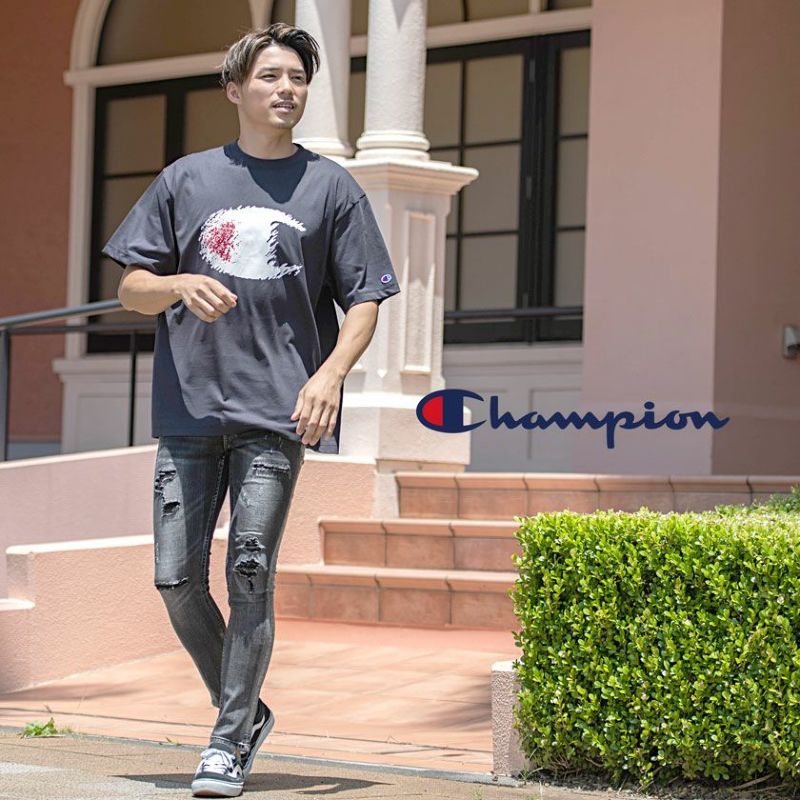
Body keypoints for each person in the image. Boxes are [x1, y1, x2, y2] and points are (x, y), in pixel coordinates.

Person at [102, 22, 401, 798]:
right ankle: (246, 710)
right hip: (189, 411)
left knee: (249, 569)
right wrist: (175, 284)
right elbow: (131, 286)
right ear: (235, 89)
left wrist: (330, 375)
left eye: (297, 78)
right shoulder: (186, 180)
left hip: (276, 414)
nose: (286, 89)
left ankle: (228, 741)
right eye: (270, 76)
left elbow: (366, 296)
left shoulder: (331, 187)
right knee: (175, 579)